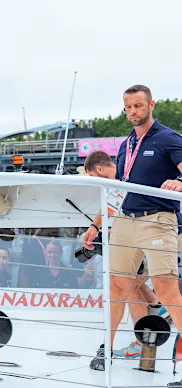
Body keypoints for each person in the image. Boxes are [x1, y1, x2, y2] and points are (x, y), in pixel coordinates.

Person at [83, 85, 182, 372]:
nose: (133, 112)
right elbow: (119, 191)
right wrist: (95, 226)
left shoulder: (168, 138)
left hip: (158, 219)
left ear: (152, 104)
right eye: (128, 107)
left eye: (138, 106)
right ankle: (107, 348)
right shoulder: (127, 144)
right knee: (116, 285)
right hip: (126, 220)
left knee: (165, 287)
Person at [84, 150, 178, 360]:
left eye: (92, 176)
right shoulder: (122, 179)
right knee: (126, 282)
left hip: (168, 229)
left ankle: (143, 337)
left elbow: (113, 204)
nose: (93, 180)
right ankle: (155, 307)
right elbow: (111, 205)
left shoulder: (125, 175)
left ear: (99, 169)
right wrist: (95, 226)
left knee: (129, 284)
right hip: (150, 230)